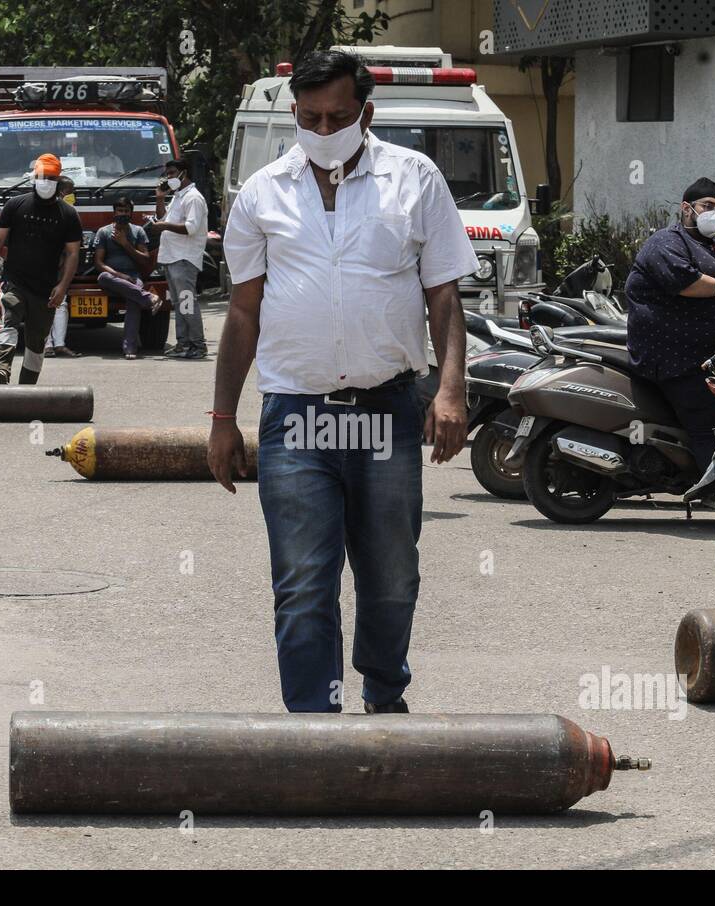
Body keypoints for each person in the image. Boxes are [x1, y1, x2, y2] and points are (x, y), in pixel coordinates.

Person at [210, 49, 477, 714]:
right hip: (295, 416)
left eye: (338, 116)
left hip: (386, 409)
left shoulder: (415, 180)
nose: (323, 130)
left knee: (391, 576)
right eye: (309, 118)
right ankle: (313, 724)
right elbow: (243, 313)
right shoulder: (262, 194)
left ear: (367, 112)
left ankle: (384, 693)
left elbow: (443, 297)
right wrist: (221, 419)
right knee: (304, 581)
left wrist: (450, 391)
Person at [625, 177, 715, 466]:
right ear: (687, 208)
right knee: (713, 425)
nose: (714, 213)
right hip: (677, 360)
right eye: (708, 206)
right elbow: (685, 282)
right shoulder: (666, 242)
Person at [0, 153, 82, 384]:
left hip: (46, 288)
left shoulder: (68, 214)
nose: (45, 181)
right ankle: (2, 370)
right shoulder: (15, 205)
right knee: (9, 320)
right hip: (15, 281)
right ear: (34, 178)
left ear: (58, 181)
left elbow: (73, 253)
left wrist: (63, 287)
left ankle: (27, 388)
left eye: (50, 178)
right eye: (41, 176)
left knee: (37, 341)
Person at [151, 157, 208, 358]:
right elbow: (162, 218)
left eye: (173, 173)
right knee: (178, 303)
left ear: (184, 173)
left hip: (184, 259)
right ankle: (183, 344)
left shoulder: (193, 197)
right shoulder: (178, 196)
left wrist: (164, 226)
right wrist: (159, 199)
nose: (169, 177)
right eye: (168, 174)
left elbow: (191, 228)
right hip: (171, 257)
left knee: (186, 302)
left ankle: (198, 346)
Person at [95, 193, 161, 359]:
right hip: (113, 277)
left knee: (133, 299)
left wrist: (125, 244)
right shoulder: (104, 232)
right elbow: (99, 263)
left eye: (126, 211)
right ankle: (149, 298)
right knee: (103, 276)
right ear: (114, 212)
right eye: (119, 210)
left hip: (134, 277)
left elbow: (145, 259)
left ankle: (129, 348)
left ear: (131, 213)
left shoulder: (138, 231)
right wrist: (120, 276)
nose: (122, 214)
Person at [45, 176, 84, 359]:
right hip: (45, 265)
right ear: (61, 191)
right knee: (44, 304)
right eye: (70, 191)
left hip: (61, 266)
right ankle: (47, 344)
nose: (73, 195)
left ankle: (59, 345)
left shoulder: (69, 212)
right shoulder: (50, 210)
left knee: (60, 303)